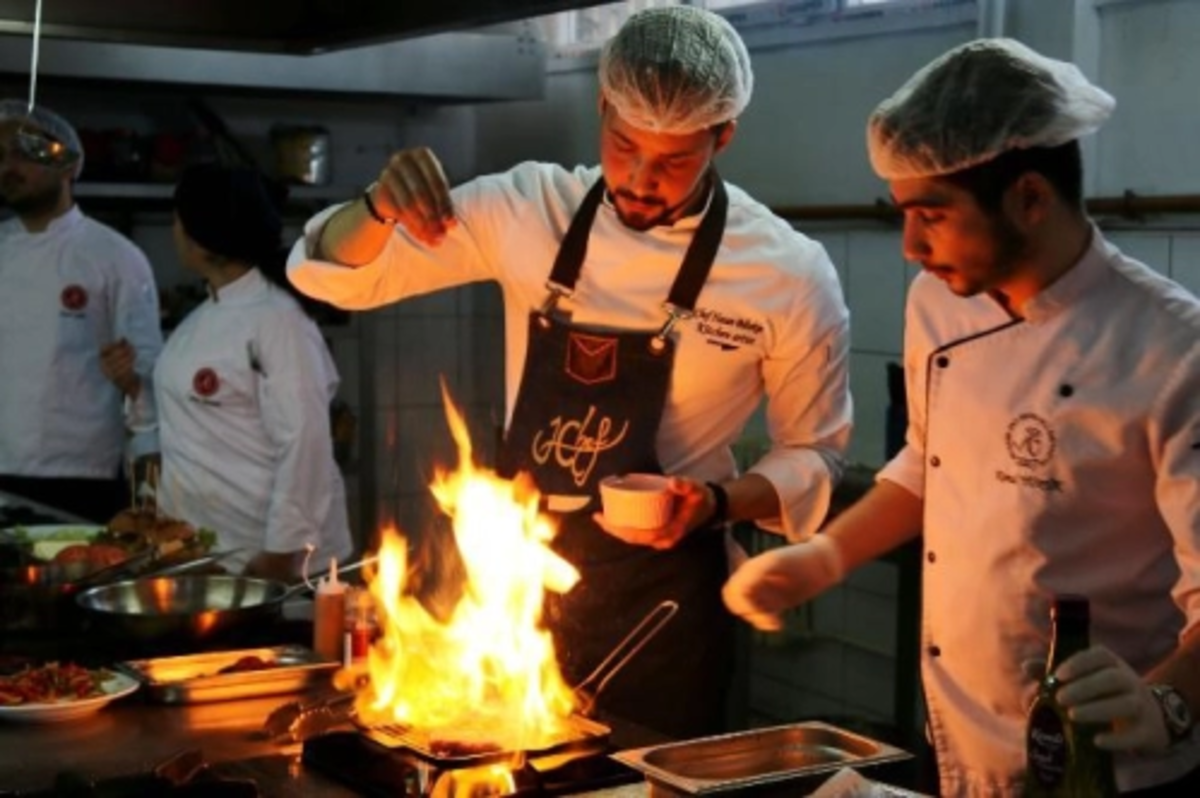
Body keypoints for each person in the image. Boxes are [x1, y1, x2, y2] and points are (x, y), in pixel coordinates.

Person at [287, 6, 851, 740]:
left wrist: (711, 503)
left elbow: (815, 453)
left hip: (666, 606)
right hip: (522, 580)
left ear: (723, 137)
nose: (642, 180)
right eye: (622, 146)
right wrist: (376, 207)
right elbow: (338, 277)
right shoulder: (531, 206)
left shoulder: (788, 272)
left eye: (674, 160)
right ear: (601, 107)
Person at [723, 38, 1200, 796]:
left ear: (1031, 199)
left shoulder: (1173, 349)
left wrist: (1168, 701)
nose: (912, 247)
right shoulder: (940, 305)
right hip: (962, 739)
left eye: (932, 216)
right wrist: (826, 556)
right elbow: (927, 462)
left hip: (1112, 764)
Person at [139, 164, 353, 582]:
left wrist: (283, 552)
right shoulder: (201, 318)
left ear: (203, 235)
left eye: (178, 219)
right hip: (209, 554)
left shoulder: (278, 319)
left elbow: (305, 441)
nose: (174, 230)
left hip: (273, 565)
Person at [0, 101, 162, 523]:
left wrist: (131, 375)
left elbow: (148, 370)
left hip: (82, 473)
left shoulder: (114, 257)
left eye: (24, 153)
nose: (9, 167)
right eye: (1, 156)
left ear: (69, 166)